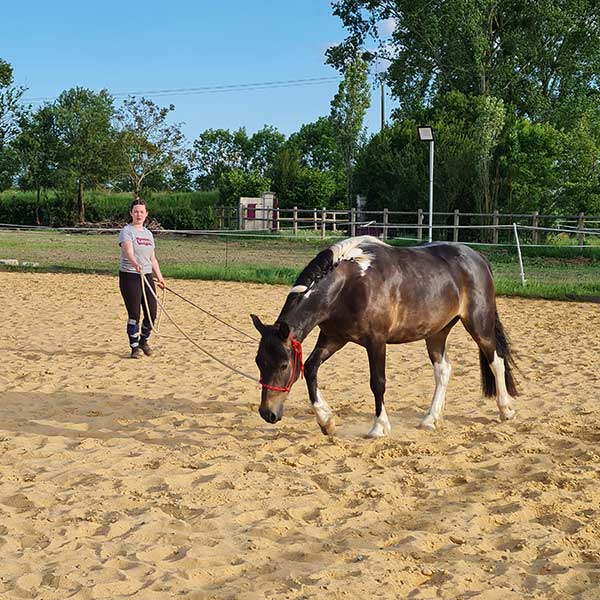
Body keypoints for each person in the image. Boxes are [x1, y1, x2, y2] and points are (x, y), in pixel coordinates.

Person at [118, 198, 165, 358]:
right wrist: (135, 263)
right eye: (136, 211)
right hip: (130, 276)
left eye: (142, 212)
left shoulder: (148, 234)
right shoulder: (126, 231)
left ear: (146, 214)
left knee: (151, 313)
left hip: (146, 276)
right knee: (134, 314)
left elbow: (153, 258)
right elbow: (128, 251)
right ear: (131, 213)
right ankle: (134, 347)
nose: (139, 214)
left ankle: (143, 340)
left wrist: (159, 277)